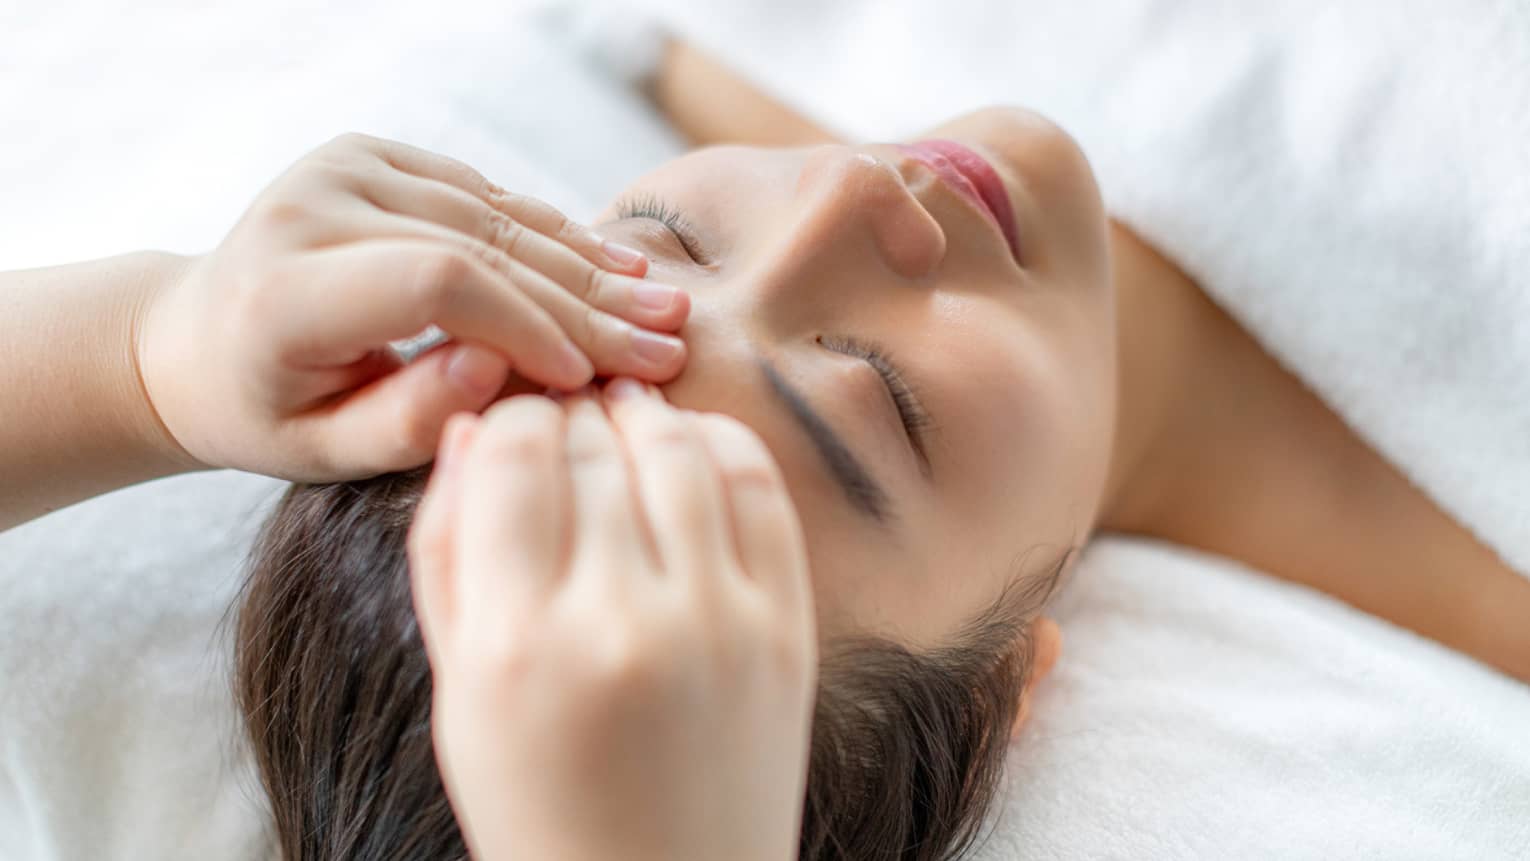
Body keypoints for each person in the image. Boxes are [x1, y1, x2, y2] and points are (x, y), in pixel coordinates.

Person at [5, 39, 1525, 861]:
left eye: (662, 236)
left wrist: (138, 354)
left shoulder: (694, 45)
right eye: (876, 398)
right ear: (1007, 679)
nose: (846, 200)